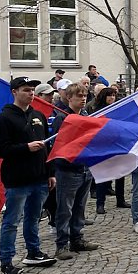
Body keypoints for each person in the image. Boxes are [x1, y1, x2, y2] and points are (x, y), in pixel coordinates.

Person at [0, 76, 57, 274]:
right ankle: (7, 261)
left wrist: (50, 173)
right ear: (14, 92)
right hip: (17, 179)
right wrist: (25, 148)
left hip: (39, 177)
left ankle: (33, 252)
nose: (31, 93)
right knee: (12, 221)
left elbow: (48, 147)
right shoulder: (3, 119)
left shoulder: (38, 116)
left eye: (32, 90)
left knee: (34, 218)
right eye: (26, 90)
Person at [51, 83, 99, 260]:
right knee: (65, 209)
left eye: (85, 95)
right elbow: (57, 145)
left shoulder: (86, 115)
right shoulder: (62, 118)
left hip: (85, 168)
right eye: (79, 96)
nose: (83, 99)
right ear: (69, 98)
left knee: (79, 207)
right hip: (68, 170)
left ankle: (77, 239)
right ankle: (61, 245)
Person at [91, 87, 131, 214]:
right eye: (109, 96)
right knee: (103, 175)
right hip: (103, 147)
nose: (112, 98)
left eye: (114, 95)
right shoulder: (98, 112)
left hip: (117, 144)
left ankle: (121, 199)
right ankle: (100, 203)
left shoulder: (118, 110)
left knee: (120, 174)